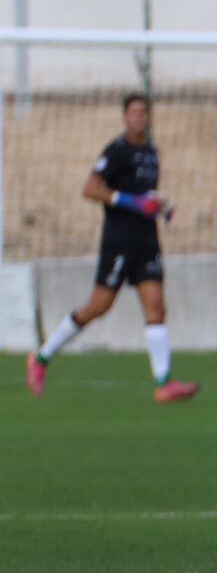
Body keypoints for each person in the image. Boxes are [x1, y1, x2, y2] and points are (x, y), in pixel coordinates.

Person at [26, 93, 200, 402]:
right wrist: (129, 201)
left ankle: (163, 383)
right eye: (133, 113)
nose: (138, 118)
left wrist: (161, 207)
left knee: (156, 305)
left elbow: (145, 195)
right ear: (125, 117)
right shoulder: (116, 151)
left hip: (147, 240)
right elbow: (91, 188)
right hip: (119, 242)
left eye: (143, 113)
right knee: (99, 306)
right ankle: (42, 357)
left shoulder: (151, 153)